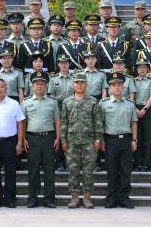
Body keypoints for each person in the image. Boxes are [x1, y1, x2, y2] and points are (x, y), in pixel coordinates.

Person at [60, 72, 102, 209]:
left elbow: (98, 122)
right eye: (77, 82)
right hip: (72, 141)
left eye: (82, 82)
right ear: (73, 85)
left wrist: (98, 140)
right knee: (73, 170)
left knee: (88, 171)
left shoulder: (93, 101)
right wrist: (63, 141)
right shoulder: (67, 102)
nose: (79, 85)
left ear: (86, 84)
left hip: (89, 141)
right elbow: (64, 123)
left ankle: (87, 197)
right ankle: (74, 197)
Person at [21, 71, 60, 208]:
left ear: (46, 86)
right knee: (33, 170)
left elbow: (57, 120)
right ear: (32, 86)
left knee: (49, 170)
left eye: (42, 84)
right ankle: (33, 198)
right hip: (32, 139)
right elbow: (23, 122)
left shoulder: (53, 102)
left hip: (49, 138)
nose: (39, 86)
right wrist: (23, 138)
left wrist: (58, 137)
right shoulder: (26, 102)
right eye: (36, 84)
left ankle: (49, 199)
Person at [0, 78, 25, 208]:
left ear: (6, 89)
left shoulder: (14, 104)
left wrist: (19, 142)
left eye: (2, 87)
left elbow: (20, 123)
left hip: (10, 142)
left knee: (10, 172)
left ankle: (9, 199)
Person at [101, 74, 138, 209]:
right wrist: (101, 140)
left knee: (125, 170)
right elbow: (101, 123)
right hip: (110, 140)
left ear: (123, 87)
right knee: (111, 170)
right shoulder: (103, 104)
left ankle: (124, 198)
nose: (117, 87)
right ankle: (111, 198)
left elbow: (133, 122)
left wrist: (134, 139)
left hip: (126, 140)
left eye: (119, 85)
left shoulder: (130, 104)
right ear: (109, 88)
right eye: (113, 85)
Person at [131, 54, 151, 171]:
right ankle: (138, 163)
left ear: (147, 69)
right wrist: (135, 109)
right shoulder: (133, 81)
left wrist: (145, 109)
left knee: (149, 138)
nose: (142, 69)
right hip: (135, 109)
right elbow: (131, 96)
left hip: (148, 110)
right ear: (136, 69)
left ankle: (147, 163)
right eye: (139, 67)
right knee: (137, 137)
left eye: (144, 67)